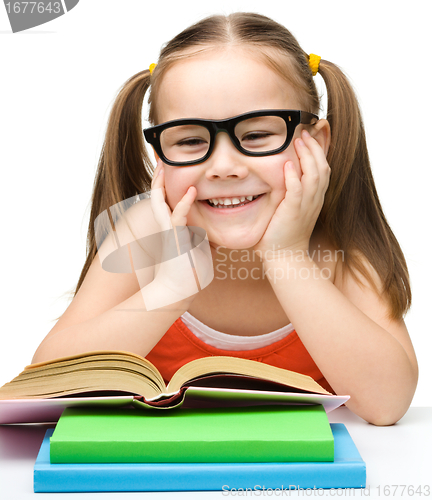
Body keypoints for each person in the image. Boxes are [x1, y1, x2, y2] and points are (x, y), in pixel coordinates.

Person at [32, 12, 418, 425]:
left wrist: (287, 256)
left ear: (315, 143)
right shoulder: (148, 232)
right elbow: (44, 383)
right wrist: (171, 288)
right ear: (160, 154)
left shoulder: (338, 241)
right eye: (191, 140)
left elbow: (387, 404)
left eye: (255, 135)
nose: (224, 167)